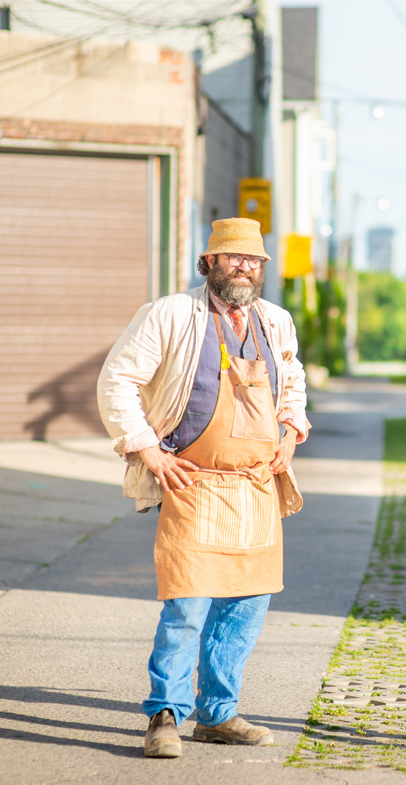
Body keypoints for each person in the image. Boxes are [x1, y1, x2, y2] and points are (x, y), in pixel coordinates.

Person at [97, 217, 309, 759]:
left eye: (254, 260)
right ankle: (164, 715)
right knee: (187, 602)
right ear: (208, 263)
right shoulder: (170, 314)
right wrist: (146, 449)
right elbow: (117, 379)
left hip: (258, 484)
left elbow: (294, 384)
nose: (245, 267)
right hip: (192, 482)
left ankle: (218, 714)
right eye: (233, 257)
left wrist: (290, 433)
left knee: (247, 602)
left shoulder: (276, 321)